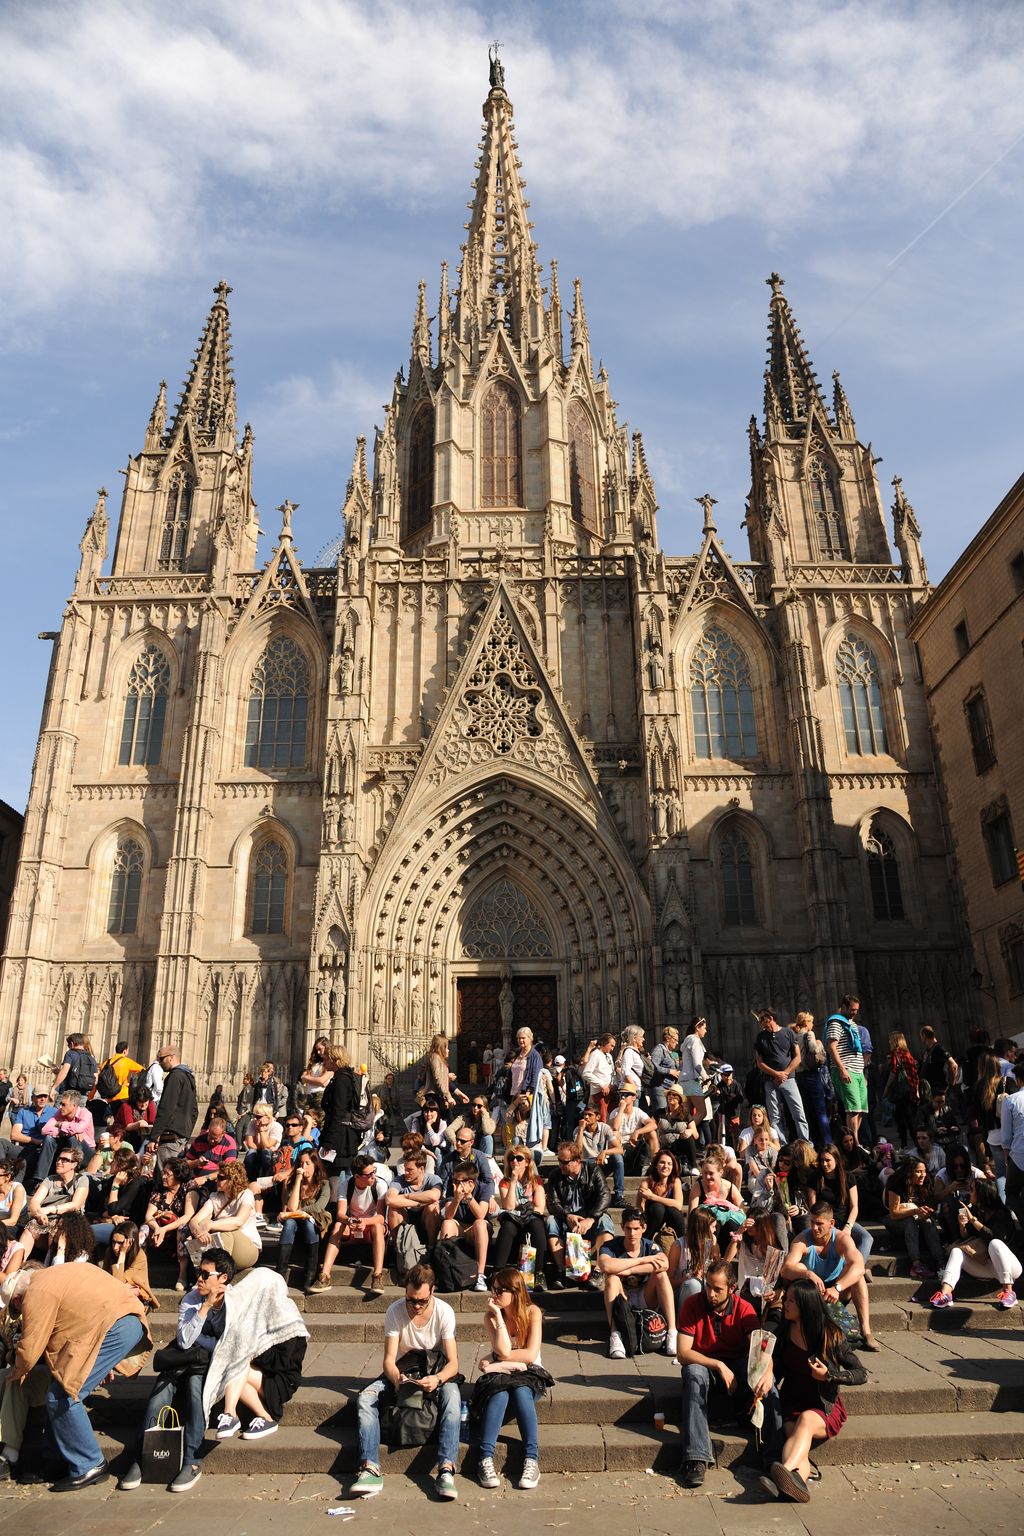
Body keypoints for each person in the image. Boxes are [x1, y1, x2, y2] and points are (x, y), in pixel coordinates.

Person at [11, 1250, 151, 1490]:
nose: (20, 1314)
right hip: (121, 1322)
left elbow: (31, 1344)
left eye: (17, 1309)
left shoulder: (36, 1290)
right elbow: (77, 1320)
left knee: (63, 1395)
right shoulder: (54, 1276)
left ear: (17, 1298)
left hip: (116, 1327)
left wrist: (15, 1372)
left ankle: (89, 1463)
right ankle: (57, 1458)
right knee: (60, 1388)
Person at [118, 1248, 236, 1494]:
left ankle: (192, 1461)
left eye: (205, 1274)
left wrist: (203, 1340)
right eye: (197, 1272)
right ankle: (143, 1456)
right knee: (160, 1391)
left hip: (208, 1366)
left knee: (195, 1390)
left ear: (223, 1278)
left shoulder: (235, 1304)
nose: (199, 1279)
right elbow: (183, 1341)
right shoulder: (192, 1298)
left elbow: (228, 1346)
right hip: (183, 1357)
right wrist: (204, 1308)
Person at [352, 1262, 461, 1501]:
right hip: (403, 1370)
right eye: (411, 1300)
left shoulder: (444, 1312)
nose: (415, 1306)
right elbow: (388, 1360)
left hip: (435, 1370)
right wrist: (398, 1380)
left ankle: (446, 1468)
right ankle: (370, 1467)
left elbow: (454, 1363)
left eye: (421, 1301)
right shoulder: (395, 1311)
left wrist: (437, 1379)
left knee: (453, 1399)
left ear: (433, 1290)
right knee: (365, 1398)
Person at [760, 1277, 865, 1502]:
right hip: (792, 1404)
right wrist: (769, 1371)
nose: (785, 1304)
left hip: (822, 1407)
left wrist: (830, 1375)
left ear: (805, 1305)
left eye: (790, 1301)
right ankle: (796, 1486)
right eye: (785, 1299)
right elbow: (770, 1356)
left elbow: (860, 1373)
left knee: (806, 1422)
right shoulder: (784, 1330)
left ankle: (783, 1471)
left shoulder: (830, 1335)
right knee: (795, 1438)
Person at [676, 1259, 777, 1489]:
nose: (710, 1293)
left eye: (717, 1289)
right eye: (708, 1286)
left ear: (732, 1289)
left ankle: (775, 1455)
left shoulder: (744, 1309)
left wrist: (769, 1373)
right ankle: (696, 1458)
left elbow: (761, 1350)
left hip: (739, 1366)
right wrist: (718, 1365)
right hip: (705, 1365)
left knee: (767, 1381)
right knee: (693, 1373)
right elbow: (683, 1353)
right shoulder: (692, 1305)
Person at [207, 1268, 309, 1442]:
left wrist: (253, 1353)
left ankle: (230, 1413)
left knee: (241, 1361)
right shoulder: (256, 1314)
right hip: (258, 1372)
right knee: (237, 1361)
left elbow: (282, 1362)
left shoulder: (288, 1316)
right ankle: (263, 1417)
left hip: (281, 1380)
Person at [474, 1267, 544, 1490]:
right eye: (494, 1289)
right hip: (503, 1373)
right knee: (499, 1393)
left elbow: (530, 1355)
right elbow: (505, 1349)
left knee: (522, 1392)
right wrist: (497, 1317)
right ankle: (485, 1459)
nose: (494, 1294)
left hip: (530, 1373)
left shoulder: (533, 1312)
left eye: (500, 1290)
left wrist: (496, 1361)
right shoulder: (491, 1316)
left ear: (515, 1291)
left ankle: (531, 1459)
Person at [782, 1201, 877, 1351]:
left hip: (836, 1291)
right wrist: (807, 1273)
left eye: (819, 1224)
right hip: (813, 1293)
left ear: (831, 1223)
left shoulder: (841, 1239)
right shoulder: (803, 1239)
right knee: (798, 1267)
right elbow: (785, 1269)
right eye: (812, 1222)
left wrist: (837, 1288)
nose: (814, 1228)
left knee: (858, 1276)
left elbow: (859, 1267)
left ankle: (866, 1331)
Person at [930, 1176, 1020, 1309]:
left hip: (1011, 1268)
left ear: (982, 1194)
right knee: (957, 1251)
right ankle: (945, 1294)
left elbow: (994, 1238)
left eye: (972, 1190)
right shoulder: (977, 1211)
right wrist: (963, 1225)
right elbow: (968, 1236)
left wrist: (974, 1221)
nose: (969, 1193)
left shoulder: (1002, 1214)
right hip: (988, 1267)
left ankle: (1009, 1292)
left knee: (995, 1243)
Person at [600, 1205, 677, 1360]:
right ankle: (615, 1335)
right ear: (622, 1227)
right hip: (623, 1298)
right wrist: (644, 1260)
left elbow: (664, 1264)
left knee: (661, 1275)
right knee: (612, 1278)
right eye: (628, 1228)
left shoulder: (650, 1245)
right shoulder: (611, 1246)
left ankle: (672, 1332)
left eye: (636, 1228)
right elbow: (606, 1265)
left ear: (644, 1228)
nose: (632, 1233)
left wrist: (628, 1270)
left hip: (646, 1296)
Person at [312, 1153, 391, 1294]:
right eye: (369, 1174)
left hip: (372, 1226)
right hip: (353, 1226)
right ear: (357, 1176)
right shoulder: (346, 1185)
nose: (373, 1176)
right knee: (337, 1225)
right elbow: (340, 1214)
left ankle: (377, 1276)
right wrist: (349, 1220)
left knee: (378, 1227)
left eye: (374, 1172)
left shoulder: (380, 1185)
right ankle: (325, 1275)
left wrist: (365, 1221)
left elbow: (380, 1217)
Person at [544, 1140, 614, 1285]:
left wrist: (591, 1218)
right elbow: (552, 1202)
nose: (560, 1165)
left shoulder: (593, 1170)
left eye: (565, 1162)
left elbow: (605, 1196)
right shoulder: (555, 1175)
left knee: (605, 1221)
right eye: (559, 1161)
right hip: (567, 1218)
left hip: (589, 1216)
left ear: (577, 1161)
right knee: (550, 1221)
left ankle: (599, 1271)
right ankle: (562, 1270)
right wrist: (567, 1215)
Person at [187, 1160, 262, 1274]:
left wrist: (210, 1225)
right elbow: (194, 1220)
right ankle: (209, 1272)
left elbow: (239, 1221)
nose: (217, 1180)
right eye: (217, 1176)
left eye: (221, 1178)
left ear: (233, 1180)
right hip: (224, 1246)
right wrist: (199, 1232)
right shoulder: (215, 1197)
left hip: (247, 1249)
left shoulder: (246, 1195)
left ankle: (213, 1273)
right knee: (204, 1221)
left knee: (224, 1231)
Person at [490, 1146, 549, 1284]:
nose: (514, 1161)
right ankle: (498, 1272)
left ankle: (539, 1273)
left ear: (527, 1162)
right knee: (508, 1226)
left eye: (519, 1158)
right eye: (511, 1158)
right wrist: (513, 1181)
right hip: (514, 1219)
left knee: (537, 1224)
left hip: (531, 1218)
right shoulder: (505, 1182)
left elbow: (539, 1207)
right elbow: (509, 1206)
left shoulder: (536, 1180)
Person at [277, 1149, 330, 1293]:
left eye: (307, 1163)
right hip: (294, 1224)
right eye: (301, 1163)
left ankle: (311, 1273)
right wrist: (299, 1179)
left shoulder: (324, 1184)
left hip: (313, 1225)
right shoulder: (293, 1183)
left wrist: (298, 1213)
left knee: (308, 1222)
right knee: (288, 1224)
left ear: (315, 1164)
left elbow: (319, 1207)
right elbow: (292, 1206)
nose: (304, 1167)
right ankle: (280, 1272)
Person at [883, 1157, 945, 1280]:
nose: (922, 1175)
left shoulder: (925, 1183)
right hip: (895, 1221)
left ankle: (941, 1263)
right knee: (910, 1222)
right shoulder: (897, 1184)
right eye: (918, 1171)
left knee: (928, 1222)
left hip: (917, 1220)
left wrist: (927, 1212)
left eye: (924, 1171)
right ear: (909, 1172)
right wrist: (915, 1211)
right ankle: (916, 1265)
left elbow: (930, 1204)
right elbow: (893, 1213)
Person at [754, 1011, 809, 1142]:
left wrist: (785, 1073)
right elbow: (759, 1062)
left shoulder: (788, 1033)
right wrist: (776, 1074)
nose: (760, 1021)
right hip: (770, 1080)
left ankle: (805, 1143)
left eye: (762, 1019)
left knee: (798, 1113)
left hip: (788, 1079)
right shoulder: (760, 1037)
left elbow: (798, 1057)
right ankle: (781, 1145)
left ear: (771, 1018)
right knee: (774, 1117)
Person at [817, 1143, 872, 1271]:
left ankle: (855, 1270)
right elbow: (813, 1206)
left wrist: (848, 1227)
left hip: (845, 1221)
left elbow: (854, 1206)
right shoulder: (816, 1178)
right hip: (826, 1223)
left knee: (866, 1237)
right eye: (822, 1160)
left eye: (828, 1160)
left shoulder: (848, 1177)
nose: (824, 1164)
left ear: (836, 1160)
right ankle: (857, 1272)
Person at [824, 998, 868, 1145]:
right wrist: (842, 1069)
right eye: (852, 1009)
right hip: (846, 1069)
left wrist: (863, 1073)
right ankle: (854, 1144)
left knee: (860, 1109)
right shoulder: (835, 1023)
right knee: (853, 1108)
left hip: (858, 1071)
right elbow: (831, 1047)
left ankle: (855, 1142)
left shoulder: (852, 1024)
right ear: (843, 1007)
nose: (855, 1013)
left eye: (856, 1010)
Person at [32, 1090, 96, 1182]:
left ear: (74, 1106)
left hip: (86, 1154)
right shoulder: (60, 1113)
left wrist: (61, 1125)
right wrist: (68, 1131)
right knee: (49, 1138)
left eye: (63, 1104)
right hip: (66, 1150)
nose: (60, 1107)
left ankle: (73, 1178)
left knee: (73, 1138)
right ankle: (39, 1179)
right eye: (61, 1104)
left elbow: (79, 1128)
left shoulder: (85, 1114)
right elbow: (45, 1130)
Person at [386, 1148, 443, 1247]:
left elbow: (434, 1196)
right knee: (393, 1209)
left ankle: (431, 1248)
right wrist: (419, 1203)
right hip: (406, 1217)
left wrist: (406, 1196)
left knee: (432, 1206)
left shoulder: (433, 1179)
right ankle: (397, 1249)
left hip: (425, 1219)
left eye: (410, 1170)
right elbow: (390, 1199)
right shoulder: (399, 1180)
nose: (406, 1172)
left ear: (421, 1169)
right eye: (405, 1168)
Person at [150, 1047, 199, 1161]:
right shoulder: (188, 1077)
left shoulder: (174, 1077)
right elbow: (194, 1111)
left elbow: (166, 1108)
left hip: (171, 1135)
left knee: (165, 1174)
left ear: (171, 1057)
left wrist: (153, 1137)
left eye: (161, 1059)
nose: (159, 1063)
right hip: (181, 1135)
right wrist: (186, 1134)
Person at [791, 1014, 831, 1149]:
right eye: (811, 1022)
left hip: (799, 1076)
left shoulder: (793, 1036)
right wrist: (820, 1045)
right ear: (806, 1022)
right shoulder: (809, 1034)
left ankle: (815, 1142)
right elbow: (814, 1049)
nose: (812, 1025)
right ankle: (827, 1142)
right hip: (811, 1074)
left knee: (808, 1111)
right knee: (820, 1110)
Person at [319, 1046, 361, 1173]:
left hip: (340, 1137)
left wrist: (329, 1140)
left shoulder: (342, 1079)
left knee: (337, 1174)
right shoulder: (342, 1076)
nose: (324, 1062)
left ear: (335, 1060)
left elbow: (339, 1111)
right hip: (341, 1133)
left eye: (326, 1059)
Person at [575, 1102, 625, 1205]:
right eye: (585, 1114)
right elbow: (577, 1151)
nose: (586, 1117)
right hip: (586, 1165)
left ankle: (619, 1195)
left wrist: (605, 1151)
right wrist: (581, 1129)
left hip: (602, 1162)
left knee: (617, 1158)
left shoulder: (605, 1128)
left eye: (590, 1115)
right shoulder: (578, 1130)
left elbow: (620, 1149)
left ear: (597, 1117)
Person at [101, 1222, 157, 1310]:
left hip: (137, 1300)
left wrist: (122, 1254)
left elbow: (118, 1282)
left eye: (120, 1243)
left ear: (130, 1242)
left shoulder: (139, 1256)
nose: (115, 1247)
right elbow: (105, 1279)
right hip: (116, 1295)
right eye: (113, 1242)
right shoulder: (109, 1252)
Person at [882, 1030, 921, 1149]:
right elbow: (915, 1074)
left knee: (901, 1119)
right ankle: (916, 1143)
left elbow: (894, 1072)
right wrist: (917, 1091)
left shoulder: (896, 1054)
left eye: (891, 1039)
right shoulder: (907, 1054)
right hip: (910, 1090)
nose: (889, 1041)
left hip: (901, 1092)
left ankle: (905, 1145)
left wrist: (887, 1088)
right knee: (910, 1119)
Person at [638, 1149, 688, 1237]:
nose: (666, 1166)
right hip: (652, 1221)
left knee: (674, 1211)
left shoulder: (676, 1181)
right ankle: (646, 1240)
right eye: (662, 1162)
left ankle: (682, 1242)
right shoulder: (647, 1183)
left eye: (669, 1164)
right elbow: (640, 1209)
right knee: (658, 1208)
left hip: (670, 1219)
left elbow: (678, 1204)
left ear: (673, 1167)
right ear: (656, 1165)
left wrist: (653, 1197)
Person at [10, 1087, 56, 1181]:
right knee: (2, 1142)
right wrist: (36, 1141)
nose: (42, 1099)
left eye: (45, 1096)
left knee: (31, 1157)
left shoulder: (55, 1112)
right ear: (33, 1098)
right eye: (39, 1096)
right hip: (25, 1148)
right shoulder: (23, 1112)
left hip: (43, 1150)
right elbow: (14, 1135)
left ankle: (36, 1181)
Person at [999, 1058, 1024, 1228]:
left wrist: (1007, 1159)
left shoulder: (1011, 1100)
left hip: (1019, 1156)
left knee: (1011, 1192)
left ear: (1019, 1080)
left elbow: (1006, 1137)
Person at [612, 1085, 660, 1168]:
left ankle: (655, 1163)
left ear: (633, 1097)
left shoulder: (637, 1111)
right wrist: (621, 1109)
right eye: (621, 1094)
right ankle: (617, 1164)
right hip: (620, 1144)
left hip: (635, 1143)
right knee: (615, 1133)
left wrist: (638, 1132)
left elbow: (653, 1124)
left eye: (626, 1095)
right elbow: (615, 1127)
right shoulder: (615, 1112)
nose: (623, 1097)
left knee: (652, 1133)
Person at [678, 1018, 711, 1132]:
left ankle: (685, 1140)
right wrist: (706, 1077)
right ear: (697, 1028)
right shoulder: (695, 1041)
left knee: (688, 1114)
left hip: (683, 1081)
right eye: (704, 1028)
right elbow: (697, 1064)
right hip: (692, 1080)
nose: (706, 1031)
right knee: (702, 1112)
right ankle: (686, 1133)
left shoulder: (687, 1041)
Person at [49, 1032, 98, 1100]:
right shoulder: (91, 1057)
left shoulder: (70, 1053)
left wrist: (53, 1087)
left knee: (60, 1110)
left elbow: (64, 1071)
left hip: (68, 1093)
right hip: (82, 1095)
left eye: (68, 1045)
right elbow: (95, 1078)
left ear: (72, 1043)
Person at [241, 1103, 283, 1183]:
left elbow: (267, 1146)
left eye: (258, 1117)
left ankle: (264, 1180)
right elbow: (250, 1144)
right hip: (256, 1150)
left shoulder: (276, 1126)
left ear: (268, 1117)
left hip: (271, 1154)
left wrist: (261, 1130)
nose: (255, 1119)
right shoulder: (252, 1123)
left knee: (265, 1153)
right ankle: (249, 1180)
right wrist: (262, 1146)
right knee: (250, 1153)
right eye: (254, 1116)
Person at [580, 1034, 616, 1120]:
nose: (612, 1049)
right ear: (604, 1043)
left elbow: (611, 1072)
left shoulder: (609, 1056)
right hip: (600, 1093)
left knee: (612, 1118)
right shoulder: (595, 1054)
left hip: (610, 1092)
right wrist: (602, 1084)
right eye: (611, 1045)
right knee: (602, 1119)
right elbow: (586, 1073)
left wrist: (614, 1084)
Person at [650, 1026, 681, 1114]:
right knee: (661, 1116)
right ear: (668, 1038)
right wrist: (670, 1071)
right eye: (675, 1039)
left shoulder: (668, 1052)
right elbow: (653, 1066)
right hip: (660, 1088)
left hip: (668, 1089)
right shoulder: (659, 1049)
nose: (677, 1042)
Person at [299, 1037, 335, 1111]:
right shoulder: (314, 1063)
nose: (318, 1052)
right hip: (309, 1095)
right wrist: (315, 1080)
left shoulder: (330, 1063)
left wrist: (308, 1079)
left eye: (320, 1049)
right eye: (316, 1050)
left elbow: (322, 1081)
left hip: (320, 1095)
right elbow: (303, 1078)